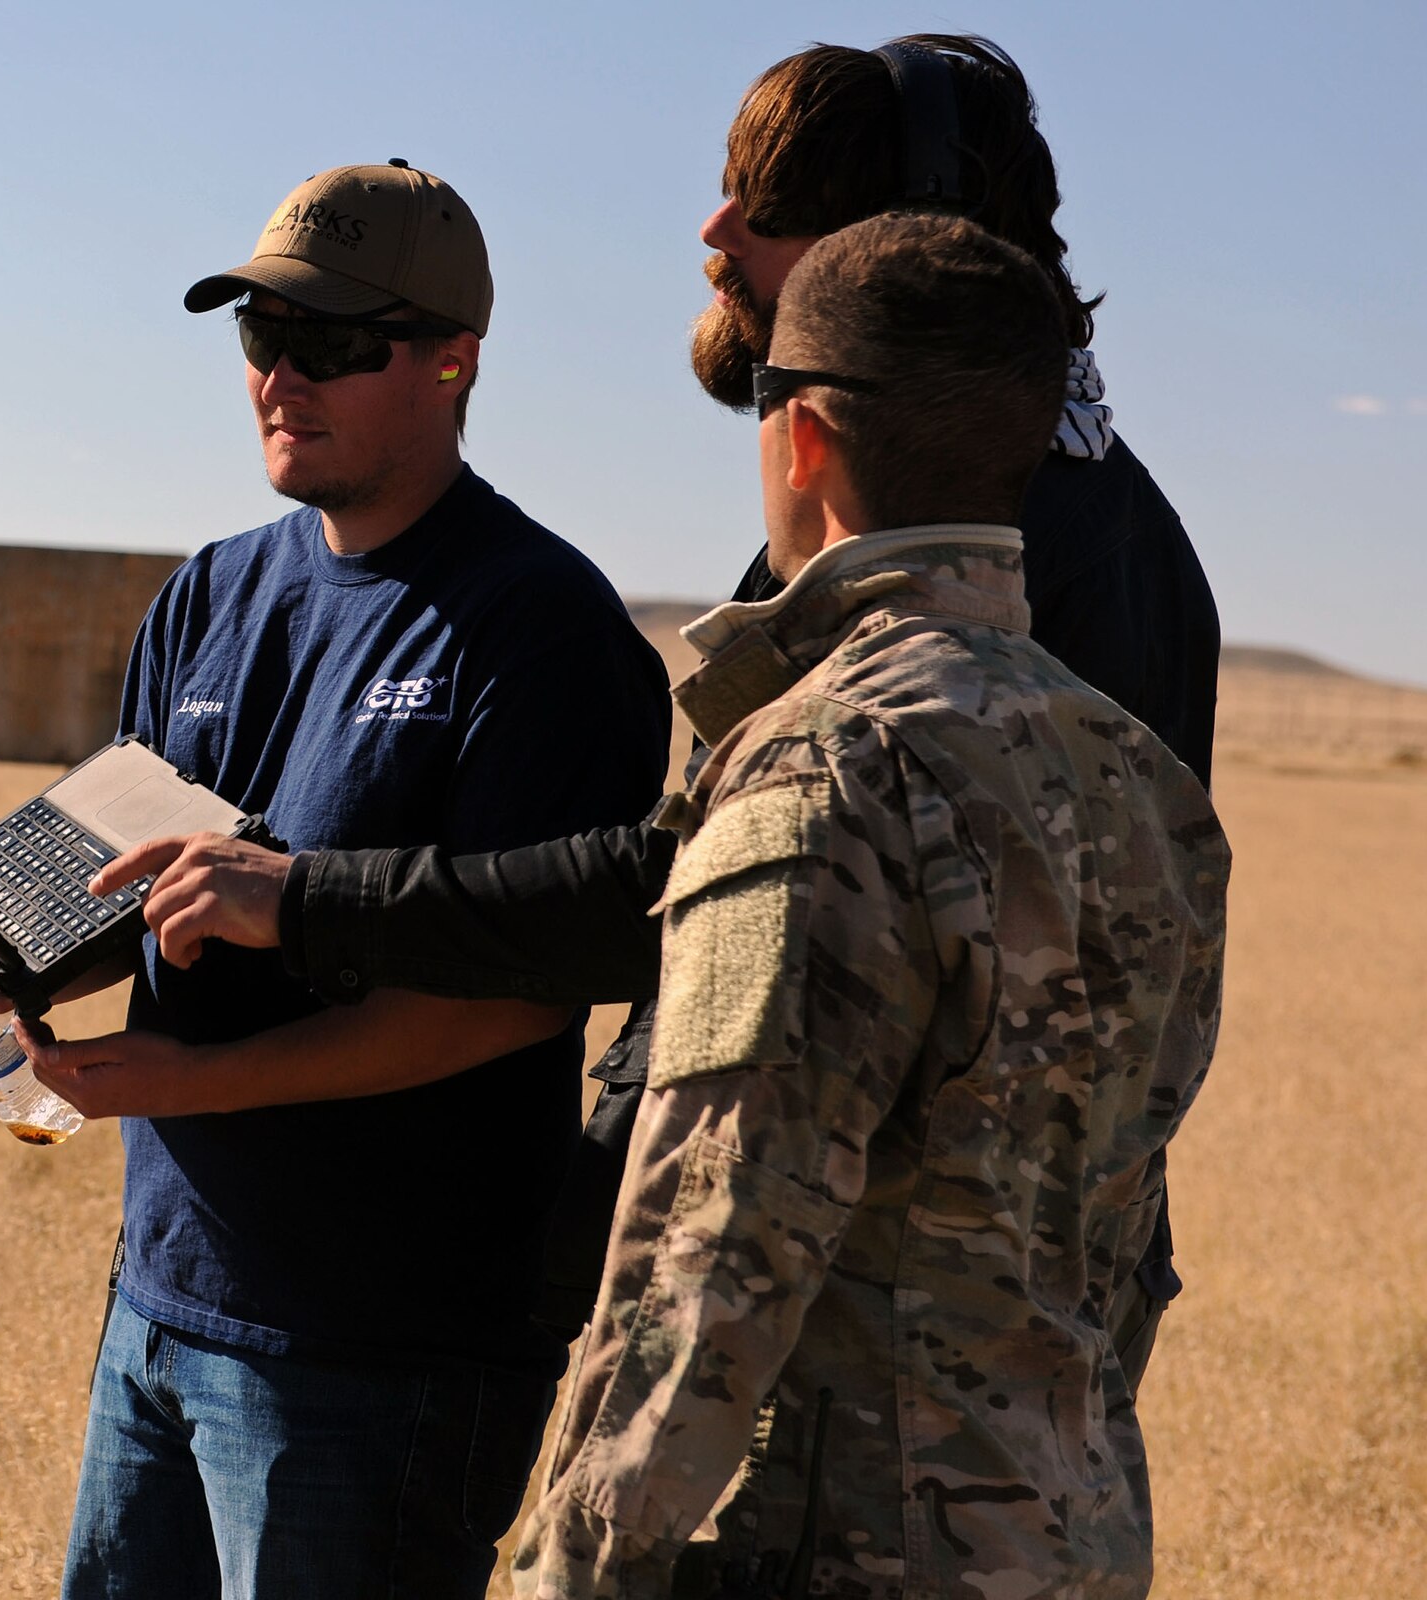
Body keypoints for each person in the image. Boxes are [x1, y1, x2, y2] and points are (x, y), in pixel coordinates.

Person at [83, 34, 1218, 1386]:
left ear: (919, 245)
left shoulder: (1038, 563)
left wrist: (306, 901)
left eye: (778, 206)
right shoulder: (967, 516)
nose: (716, 231)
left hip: (896, 1349)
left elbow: (681, 894)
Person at [0, 159, 672, 1600]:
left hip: (379, 1354)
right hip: (165, 1305)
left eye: (334, 344)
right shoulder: (214, 593)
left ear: (451, 360)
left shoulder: (543, 630)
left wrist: (177, 1080)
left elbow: (510, 1010)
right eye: (258, 337)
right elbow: (98, 886)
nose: (281, 378)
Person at [512, 210, 1229, 1600]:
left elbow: (708, 1249)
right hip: (1073, 1542)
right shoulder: (1140, 774)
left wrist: (572, 1567)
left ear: (805, 439)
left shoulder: (825, 763)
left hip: (848, 1547)